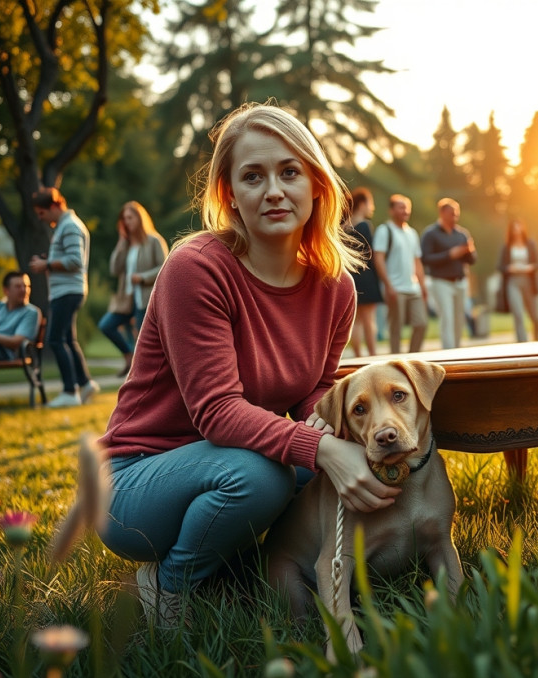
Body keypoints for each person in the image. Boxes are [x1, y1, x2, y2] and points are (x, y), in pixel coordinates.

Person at [96, 103, 399, 626]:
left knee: (333, 471)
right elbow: (217, 412)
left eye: (289, 172)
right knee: (263, 477)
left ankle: (262, 572)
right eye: (253, 176)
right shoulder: (196, 270)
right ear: (229, 194)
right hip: (134, 481)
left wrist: (350, 441)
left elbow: (314, 393)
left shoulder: (336, 286)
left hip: (229, 460)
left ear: (317, 185)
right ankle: (169, 585)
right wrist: (322, 449)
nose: (274, 190)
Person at [29, 186, 98, 407]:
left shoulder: (69, 226)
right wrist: (49, 261)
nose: (41, 219)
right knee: (68, 340)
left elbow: (75, 261)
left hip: (67, 292)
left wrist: (46, 264)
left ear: (53, 206)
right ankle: (86, 384)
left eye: (42, 213)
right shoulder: (65, 226)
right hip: (68, 291)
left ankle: (70, 392)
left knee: (55, 340)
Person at [99, 201, 170, 377]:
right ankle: (128, 357)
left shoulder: (154, 241)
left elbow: (165, 267)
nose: (127, 222)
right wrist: (121, 243)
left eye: (130, 218)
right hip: (127, 298)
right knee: (106, 325)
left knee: (144, 341)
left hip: (145, 299)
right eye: (124, 219)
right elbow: (114, 269)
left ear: (140, 218)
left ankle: (146, 375)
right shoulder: (128, 244)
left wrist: (143, 277)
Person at [373, 194, 428, 354]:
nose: (405, 211)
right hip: (395, 288)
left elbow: (417, 262)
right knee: (396, 328)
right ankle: (396, 362)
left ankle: (412, 358)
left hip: (413, 288)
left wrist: (423, 285)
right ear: (391, 210)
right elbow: (379, 259)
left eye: (407, 207)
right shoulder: (385, 230)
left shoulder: (412, 233)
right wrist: (388, 285)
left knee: (421, 323)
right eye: (401, 207)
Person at [421, 198, 477, 350]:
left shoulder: (462, 234)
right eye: (452, 213)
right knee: (447, 317)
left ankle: (457, 350)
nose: (455, 216)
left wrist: (469, 251)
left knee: (459, 319)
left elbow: (472, 260)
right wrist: (449, 255)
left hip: (460, 282)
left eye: (457, 213)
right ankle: (448, 352)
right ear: (442, 213)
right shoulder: (430, 234)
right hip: (441, 282)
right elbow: (425, 259)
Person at [344, 187, 383, 357]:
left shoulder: (343, 227)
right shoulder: (365, 226)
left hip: (350, 277)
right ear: (362, 204)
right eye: (370, 202)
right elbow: (371, 255)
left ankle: (358, 355)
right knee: (369, 319)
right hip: (367, 276)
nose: (371, 207)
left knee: (357, 320)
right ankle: (373, 355)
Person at [497, 218, 538, 342]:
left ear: (523, 228)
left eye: (519, 227)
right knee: (518, 314)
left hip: (529, 281)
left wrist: (530, 267)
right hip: (513, 282)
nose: (516, 230)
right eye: (514, 228)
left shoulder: (530, 244)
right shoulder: (507, 247)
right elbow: (500, 266)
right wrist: (509, 268)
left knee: (536, 316)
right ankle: (522, 344)